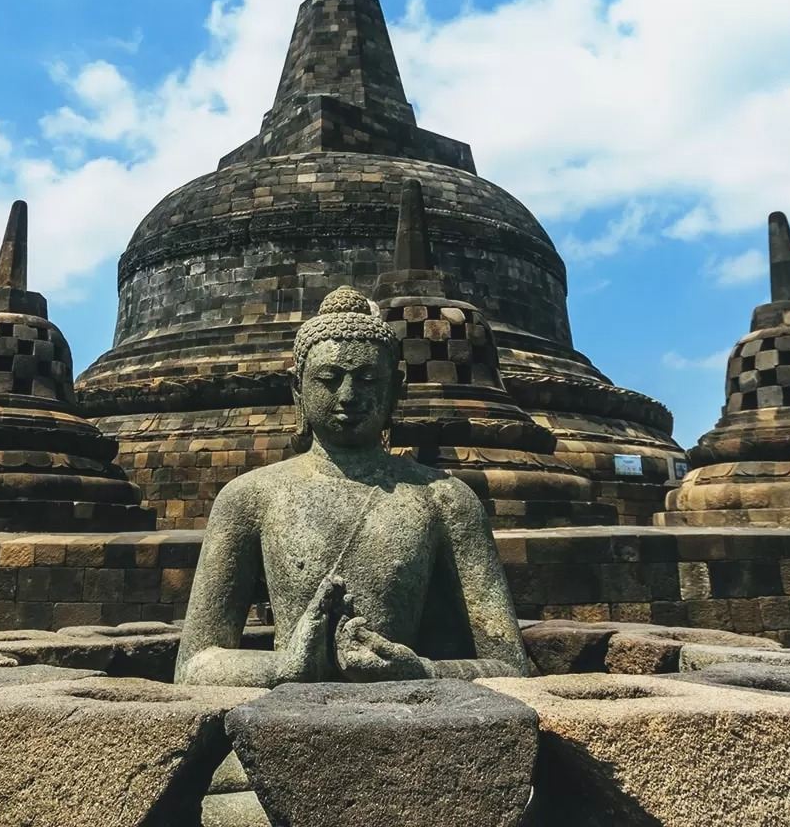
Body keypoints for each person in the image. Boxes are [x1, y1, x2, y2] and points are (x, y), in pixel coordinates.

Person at [174, 287, 531, 686]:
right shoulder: (250, 498)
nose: (348, 397)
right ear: (298, 390)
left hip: (414, 721)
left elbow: (509, 667)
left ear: (395, 389)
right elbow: (194, 664)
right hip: (284, 727)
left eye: (367, 379)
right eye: (328, 379)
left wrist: (420, 671)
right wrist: (285, 668)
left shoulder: (445, 500)